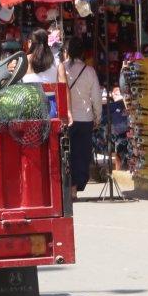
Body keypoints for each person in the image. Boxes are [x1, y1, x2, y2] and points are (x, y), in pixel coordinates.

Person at [63, 39, 103, 197]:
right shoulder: (89, 71)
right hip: (85, 119)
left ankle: (69, 185)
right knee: (82, 154)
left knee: (67, 154)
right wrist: (98, 116)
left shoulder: (62, 69)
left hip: (67, 118)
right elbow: (96, 98)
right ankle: (76, 187)